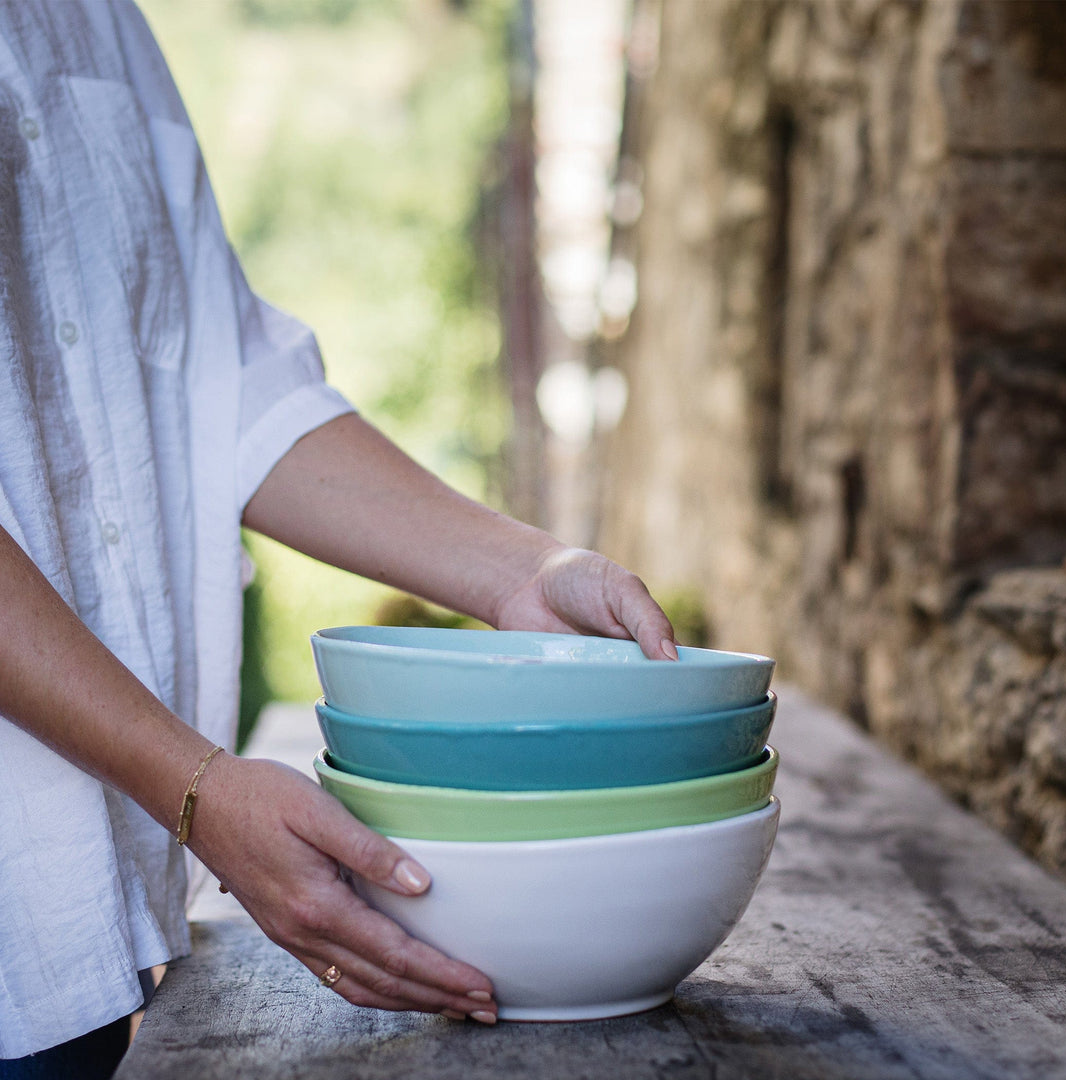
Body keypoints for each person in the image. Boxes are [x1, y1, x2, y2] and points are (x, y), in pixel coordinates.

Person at [0, 2, 677, 1075]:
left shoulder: (98, 21)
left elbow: (226, 382)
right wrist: (195, 788)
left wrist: (522, 573)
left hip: (87, 918)